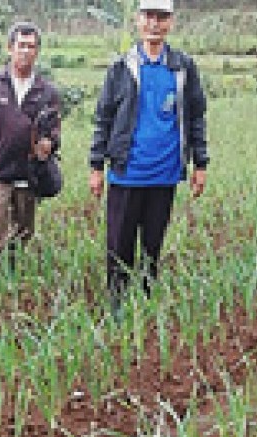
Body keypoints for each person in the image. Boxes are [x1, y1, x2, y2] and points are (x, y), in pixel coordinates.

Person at [88, 0, 208, 308]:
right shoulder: (121, 67)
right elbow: (104, 117)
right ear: (138, 20)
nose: (154, 23)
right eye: (149, 16)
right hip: (127, 171)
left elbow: (195, 116)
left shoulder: (183, 67)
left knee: (152, 246)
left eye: (162, 17)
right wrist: (96, 165)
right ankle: (117, 306)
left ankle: (146, 303)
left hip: (165, 172)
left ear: (171, 22)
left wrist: (200, 163)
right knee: (119, 245)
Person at [0, 22, 61, 258]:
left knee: (23, 233)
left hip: (29, 173)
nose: (25, 51)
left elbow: (55, 130)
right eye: (21, 45)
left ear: (37, 51)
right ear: (10, 48)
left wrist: (49, 144)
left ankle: (13, 283)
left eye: (31, 46)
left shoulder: (47, 91)